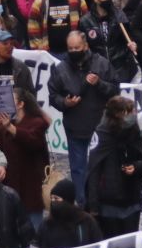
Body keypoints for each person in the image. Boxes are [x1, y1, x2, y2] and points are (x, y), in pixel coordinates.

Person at [46, 30, 112, 183]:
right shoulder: (60, 69)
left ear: (86, 46)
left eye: (77, 48)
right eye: (71, 49)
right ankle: (80, 201)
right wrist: (65, 103)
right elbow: (53, 96)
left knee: (102, 169)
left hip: (100, 126)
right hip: (75, 127)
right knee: (78, 169)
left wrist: (99, 84)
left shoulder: (101, 64)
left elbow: (114, 89)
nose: (74, 51)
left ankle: (98, 203)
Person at [84, 95, 142, 237]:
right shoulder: (102, 134)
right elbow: (94, 169)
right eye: (128, 112)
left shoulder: (134, 131)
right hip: (108, 203)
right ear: (117, 114)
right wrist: (93, 206)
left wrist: (136, 167)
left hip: (131, 200)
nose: (132, 115)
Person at [0, 89, 50, 229]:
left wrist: (11, 128)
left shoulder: (37, 122)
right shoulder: (5, 126)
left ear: (21, 104)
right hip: (11, 185)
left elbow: (32, 141)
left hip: (31, 185)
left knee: (33, 228)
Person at [36, 178, 103, 248]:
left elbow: (98, 245)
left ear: (67, 200)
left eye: (56, 199)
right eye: (52, 199)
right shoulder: (47, 224)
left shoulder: (86, 222)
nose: (53, 202)